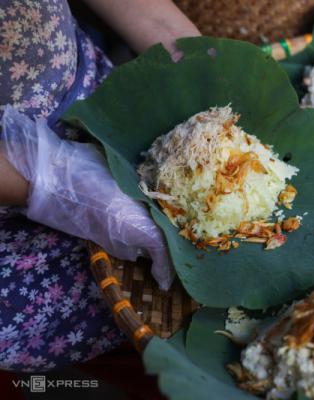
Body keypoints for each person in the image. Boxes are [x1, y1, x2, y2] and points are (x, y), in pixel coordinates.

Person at [0, 0, 200, 372]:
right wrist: (55, 179)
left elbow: (149, 15)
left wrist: (202, 71)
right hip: (14, 233)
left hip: (96, 104)